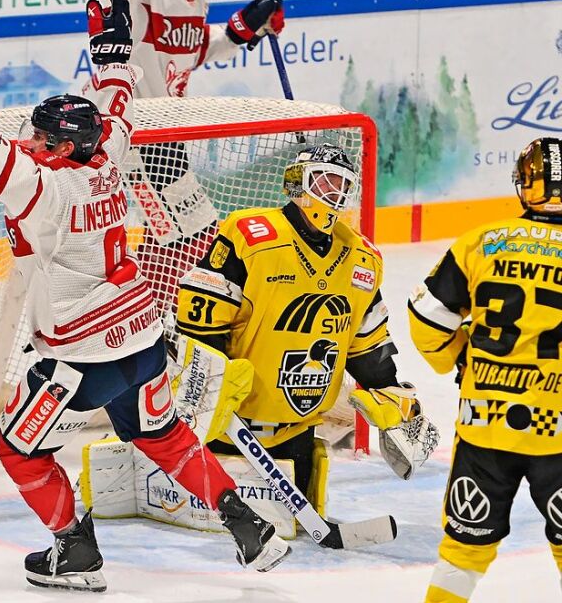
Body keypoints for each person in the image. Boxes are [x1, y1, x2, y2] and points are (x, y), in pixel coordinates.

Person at [0, 0, 289, 593]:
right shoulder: (109, 154)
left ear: (64, 149)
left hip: (81, 358)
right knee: (165, 437)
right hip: (144, 338)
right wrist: (113, 46)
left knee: (18, 452)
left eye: (43, 140)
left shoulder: (51, 191)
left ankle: (74, 552)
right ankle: (248, 526)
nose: (33, 145)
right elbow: (116, 103)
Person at [172, 144, 439, 513]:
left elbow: (366, 339)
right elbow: (201, 316)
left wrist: (388, 387)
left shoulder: (363, 258)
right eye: (324, 181)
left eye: (343, 185)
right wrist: (210, 385)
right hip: (229, 425)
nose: (334, 193)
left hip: (298, 426)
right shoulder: (250, 234)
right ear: (297, 184)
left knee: (291, 527)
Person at [93, 0, 288, 321]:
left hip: (168, 130)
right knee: (193, 234)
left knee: (184, 236)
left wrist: (244, 28)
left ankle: (146, 314)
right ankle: (145, 316)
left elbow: (193, 51)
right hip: (130, 130)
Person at [409, 137, 562, 603]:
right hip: (557, 431)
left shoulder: (482, 241)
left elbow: (427, 320)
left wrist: (461, 360)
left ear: (524, 186)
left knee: (461, 555)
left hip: (484, 426)